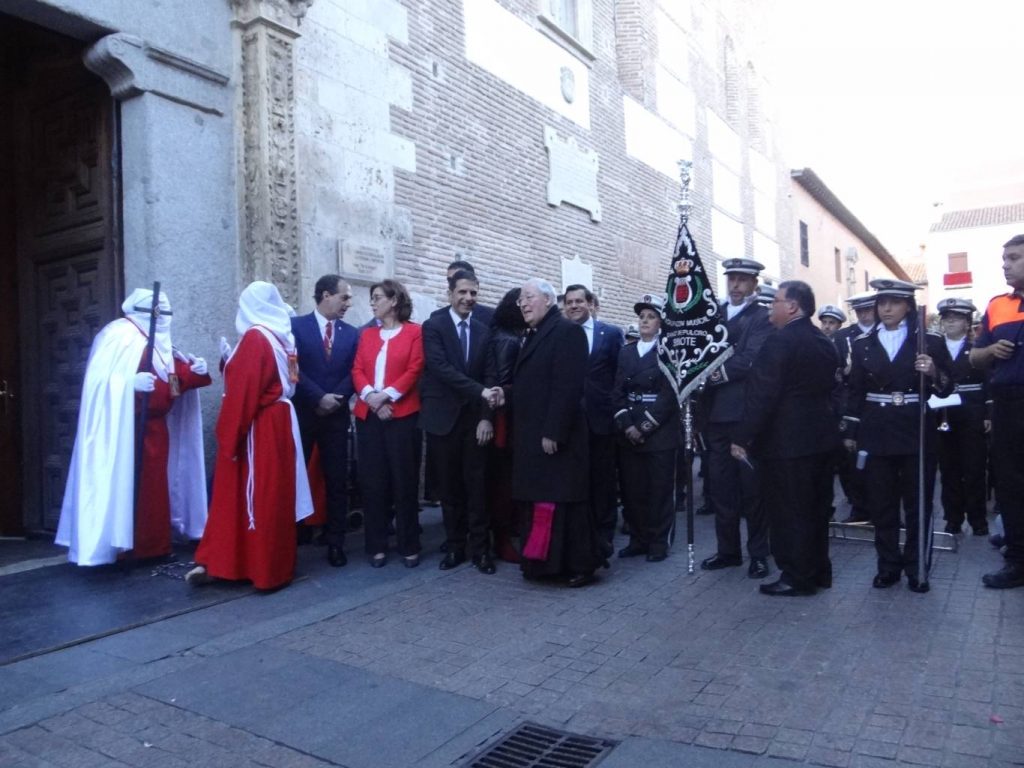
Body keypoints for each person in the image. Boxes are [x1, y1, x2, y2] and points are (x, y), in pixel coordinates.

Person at [57, 288, 210, 565]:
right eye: (157, 313)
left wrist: (197, 372)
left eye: (166, 312)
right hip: (125, 431)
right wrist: (128, 385)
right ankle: (126, 546)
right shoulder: (119, 336)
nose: (162, 319)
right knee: (132, 489)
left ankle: (154, 546)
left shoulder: (162, 345)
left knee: (155, 491)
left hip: (156, 429)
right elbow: (99, 382)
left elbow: (175, 380)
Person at [188, 282, 314, 590]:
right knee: (274, 494)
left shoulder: (257, 338)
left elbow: (244, 392)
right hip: (280, 420)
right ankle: (266, 565)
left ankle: (262, 569)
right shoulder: (282, 337)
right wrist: (231, 362)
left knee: (260, 497)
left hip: (260, 426)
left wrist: (228, 437)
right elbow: (282, 381)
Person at [843, 279, 953, 593]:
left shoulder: (929, 341)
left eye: (893, 302)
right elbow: (856, 393)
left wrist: (933, 373)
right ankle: (887, 565)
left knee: (918, 504)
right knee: (882, 503)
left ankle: (917, 568)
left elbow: (948, 388)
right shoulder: (863, 343)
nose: (886, 308)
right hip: (877, 430)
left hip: (916, 429)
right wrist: (851, 431)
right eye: (882, 302)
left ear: (908, 305)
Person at [731, 281, 841, 596]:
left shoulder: (780, 342)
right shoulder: (823, 340)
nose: (770, 309)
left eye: (775, 302)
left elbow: (762, 395)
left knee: (789, 512)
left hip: (786, 444)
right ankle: (819, 571)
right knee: (816, 509)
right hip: (820, 440)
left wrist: (742, 436)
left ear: (792, 306)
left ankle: (796, 576)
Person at [502, 278, 600, 587]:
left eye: (529, 297)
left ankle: (581, 565)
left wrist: (554, 431)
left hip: (557, 438)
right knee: (542, 501)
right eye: (520, 301)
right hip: (534, 437)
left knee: (565, 505)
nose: (524, 304)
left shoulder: (566, 332)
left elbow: (567, 386)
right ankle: (545, 565)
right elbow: (533, 383)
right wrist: (503, 393)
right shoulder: (534, 335)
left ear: (547, 300)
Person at [700, 258, 774, 579]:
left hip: (743, 415)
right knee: (721, 488)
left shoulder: (761, 317)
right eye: (732, 279)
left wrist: (711, 376)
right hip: (714, 415)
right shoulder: (712, 314)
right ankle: (727, 550)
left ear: (755, 284)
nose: (736, 286)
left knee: (752, 489)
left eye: (743, 280)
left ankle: (758, 553)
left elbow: (751, 358)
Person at [420, 270, 496, 574]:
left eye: (473, 293)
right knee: (449, 490)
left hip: (476, 422)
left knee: (478, 488)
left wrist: (486, 417)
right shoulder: (433, 326)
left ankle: (482, 551)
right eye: (462, 292)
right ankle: (455, 547)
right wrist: (480, 392)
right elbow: (440, 368)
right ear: (450, 293)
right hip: (443, 422)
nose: (468, 298)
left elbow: (492, 374)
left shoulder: (484, 330)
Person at [353, 279, 424, 568]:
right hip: (369, 416)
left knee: (404, 481)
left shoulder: (414, 332)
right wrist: (372, 398)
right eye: (372, 298)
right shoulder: (367, 335)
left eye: (377, 297)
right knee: (373, 482)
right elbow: (357, 369)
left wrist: (387, 397)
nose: (372, 303)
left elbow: (415, 367)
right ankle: (376, 545)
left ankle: (409, 544)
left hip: (403, 416)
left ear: (394, 301)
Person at [290, 275, 359, 567]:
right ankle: (291, 536)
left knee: (336, 480)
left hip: (336, 417)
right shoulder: (295, 327)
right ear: (326, 295)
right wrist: (318, 397)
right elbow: (292, 367)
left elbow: (356, 370)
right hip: (305, 413)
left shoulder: (352, 334)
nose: (348, 303)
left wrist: (336, 398)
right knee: (296, 476)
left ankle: (335, 542)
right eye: (344, 297)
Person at [971, 234, 1024, 589]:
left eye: (1014, 258)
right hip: (1008, 404)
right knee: (1010, 483)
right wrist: (992, 352)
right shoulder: (996, 306)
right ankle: (1017, 559)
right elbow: (974, 357)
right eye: (1004, 258)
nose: (1005, 264)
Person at [613, 294, 680, 562]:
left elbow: (669, 396)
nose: (644, 321)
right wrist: (627, 425)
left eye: (651, 317)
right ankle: (638, 539)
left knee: (659, 490)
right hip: (629, 429)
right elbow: (617, 391)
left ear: (661, 322)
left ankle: (658, 542)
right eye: (642, 317)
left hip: (658, 431)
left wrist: (643, 426)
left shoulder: (668, 352)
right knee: (633, 489)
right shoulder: (626, 351)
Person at [563, 283, 624, 555]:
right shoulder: (559, 334)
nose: (574, 306)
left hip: (601, 419)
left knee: (603, 481)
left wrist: (615, 410)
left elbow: (619, 375)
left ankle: (604, 533)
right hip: (570, 422)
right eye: (569, 302)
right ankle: (580, 534)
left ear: (590, 303)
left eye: (579, 301)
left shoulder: (610, 334)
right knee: (577, 480)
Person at [935, 298, 990, 536]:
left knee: (975, 468)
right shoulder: (934, 347)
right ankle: (953, 518)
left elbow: (989, 381)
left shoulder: (978, 348)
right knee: (949, 469)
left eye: (956, 318)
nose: (950, 322)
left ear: (967, 323)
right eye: (946, 318)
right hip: (944, 413)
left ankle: (978, 519)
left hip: (972, 410)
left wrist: (989, 413)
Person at [483, 288, 528, 562]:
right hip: (506, 420)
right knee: (503, 482)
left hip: (511, 418)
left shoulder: (511, 336)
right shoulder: (507, 340)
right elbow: (500, 382)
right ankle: (502, 540)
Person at [832, 292, 876, 523]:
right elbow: (833, 371)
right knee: (850, 459)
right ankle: (858, 507)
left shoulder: (884, 331)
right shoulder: (842, 336)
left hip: (878, 403)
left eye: (868, 310)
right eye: (860, 311)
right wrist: (843, 373)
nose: (865, 315)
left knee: (878, 458)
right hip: (849, 402)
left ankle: (882, 507)